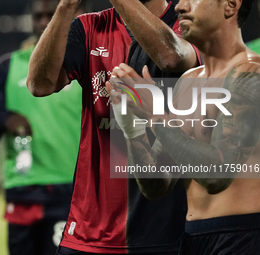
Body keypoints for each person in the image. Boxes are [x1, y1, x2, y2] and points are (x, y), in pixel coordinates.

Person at [26, 0, 200, 254]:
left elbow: (171, 57)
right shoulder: (88, 27)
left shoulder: (187, 20)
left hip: (161, 233)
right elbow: (39, 85)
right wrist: (66, 7)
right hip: (88, 233)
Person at [109, 0, 260, 254]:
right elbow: (157, 185)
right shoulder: (189, 82)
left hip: (243, 237)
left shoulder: (251, 75)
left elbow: (218, 175)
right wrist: (133, 129)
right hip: (191, 238)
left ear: (230, 6)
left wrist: (156, 116)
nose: (180, 6)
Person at [0, 1, 85, 254]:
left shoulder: (88, 64)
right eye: (38, 16)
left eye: (51, 14)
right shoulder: (7, 67)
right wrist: (5, 118)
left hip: (73, 191)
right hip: (24, 192)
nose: (44, 21)